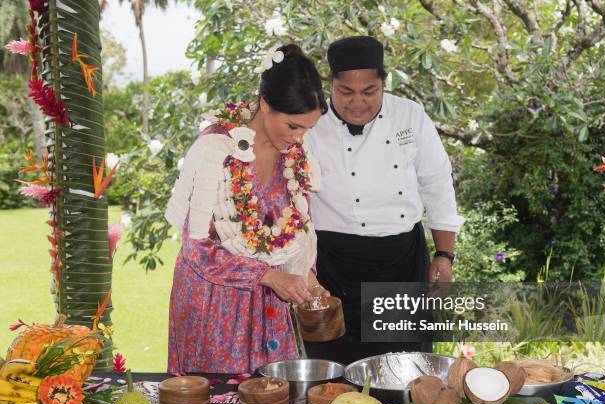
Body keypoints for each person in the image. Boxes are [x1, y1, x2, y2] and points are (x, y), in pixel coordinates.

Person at [164, 44, 329, 374]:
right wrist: (265, 275)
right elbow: (197, 249)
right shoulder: (216, 150)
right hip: (216, 305)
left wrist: (305, 276)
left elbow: (298, 225)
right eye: (294, 126)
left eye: (308, 128)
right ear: (265, 105)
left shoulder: (294, 155)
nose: (299, 138)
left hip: (271, 306)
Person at [304, 36, 465, 364]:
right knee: (332, 365)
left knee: (403, 366)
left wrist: (445, 255)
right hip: (332, 264)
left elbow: (436, 184)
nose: (357, 103)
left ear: (383, 84)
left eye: (369, 92)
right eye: (346, 92)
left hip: (399, 260)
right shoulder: (309, 123)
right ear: (330, 85)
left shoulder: (409, 115)